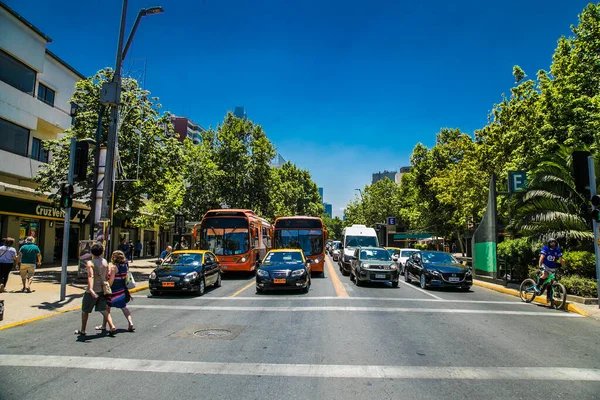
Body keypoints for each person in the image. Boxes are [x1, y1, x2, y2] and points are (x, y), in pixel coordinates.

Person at [74, 243, 116, 336]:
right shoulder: (105, 262)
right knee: (104, 309)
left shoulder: (90, 263)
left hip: (92, 291)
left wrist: (91, 289)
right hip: (102, 289)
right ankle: (112, 325)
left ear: (92, 252)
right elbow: (106, 276)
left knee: (85, 310)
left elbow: (91, 276)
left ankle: (83, 330)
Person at [96, 250, 135, 332]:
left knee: (107, 308)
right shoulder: (125, 266)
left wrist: (107, 286)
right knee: (124, 308)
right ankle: (130, 323)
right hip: (122, 290)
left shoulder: (114, 267)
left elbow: (112, 280)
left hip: (114, 290)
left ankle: (106, 325)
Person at [535, 238, 566, 306]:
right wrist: (540, 265)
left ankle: (549, 297)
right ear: (549, 243)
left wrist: (564, 267)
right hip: (545, 265)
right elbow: (542, 257)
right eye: (551, 243)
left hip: (552, 267)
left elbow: (561, 259)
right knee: (545, 274)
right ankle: (537, 286)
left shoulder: (557, 249)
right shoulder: (545, 248)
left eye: (554, 242)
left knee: (550, 282)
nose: (553, 244)